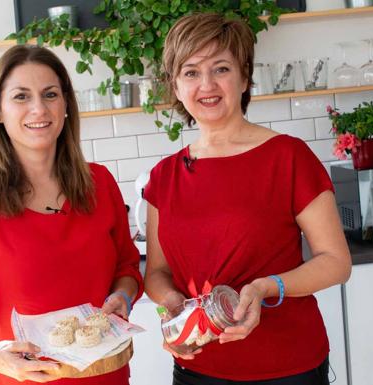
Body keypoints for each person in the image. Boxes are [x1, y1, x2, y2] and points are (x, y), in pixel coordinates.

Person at [143, 13, 352, 385]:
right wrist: (172, 308)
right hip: (197, 368)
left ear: (244, 78)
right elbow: (157, 273)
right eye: (190, 72)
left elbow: (336, 262)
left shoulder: (288, 157)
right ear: (175, 87)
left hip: (288, 366)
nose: (206, 84)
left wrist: (265, 287)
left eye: (220, 68)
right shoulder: (164, 177)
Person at [0, 45, 143, 385]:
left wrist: (122, 296)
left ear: (65, 106)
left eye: (50, 94)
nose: (38, 108)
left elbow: (126, 266)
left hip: (105, 376)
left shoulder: (99, 184)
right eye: (21, 96)